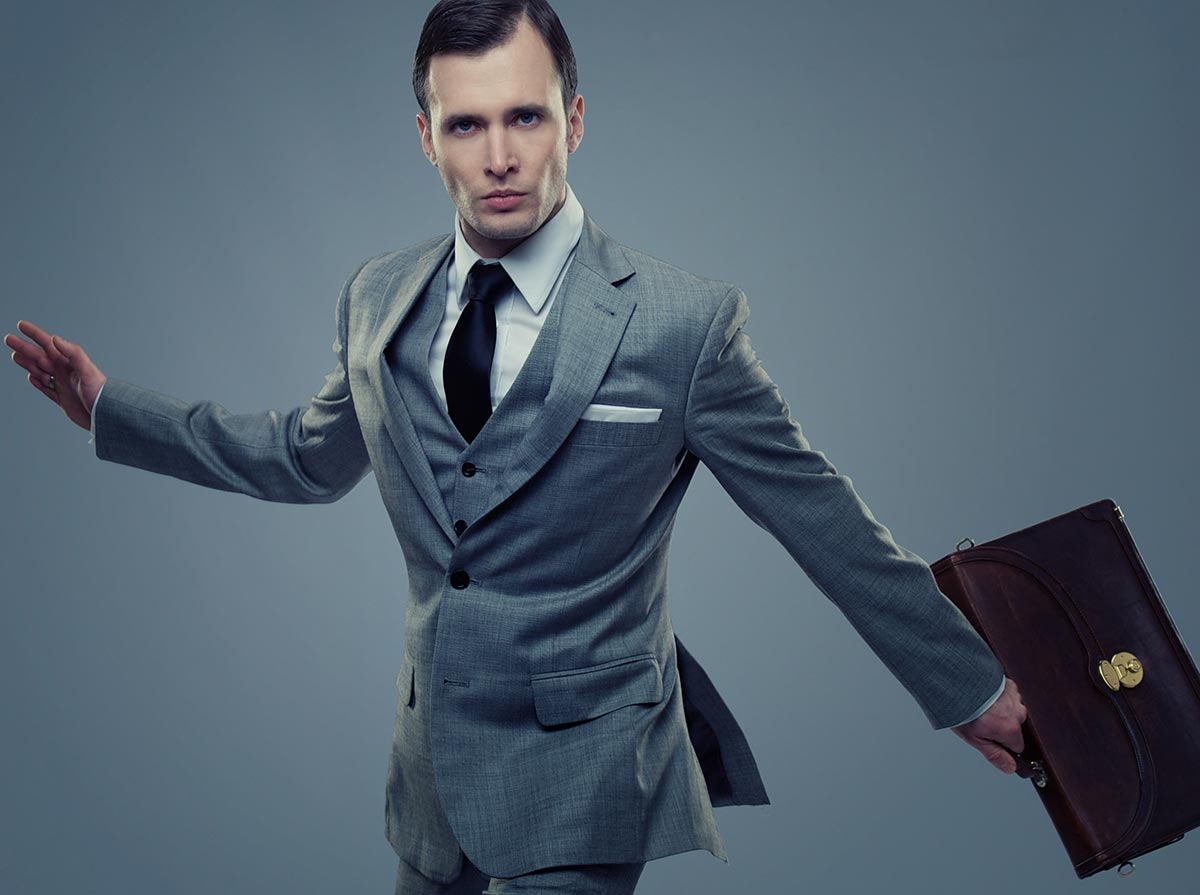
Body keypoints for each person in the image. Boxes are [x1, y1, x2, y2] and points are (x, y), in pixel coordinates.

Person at [5, 1, 1027, 893]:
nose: (499, 155)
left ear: (573, 120)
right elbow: (301, 459)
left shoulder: (683, 325)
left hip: (589, 775)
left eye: (525, 117)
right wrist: (109, 409)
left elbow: (820, 516)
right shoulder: (376, 296)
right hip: (432, 781)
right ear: (427, 138)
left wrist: (967, 685)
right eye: (467, 123)